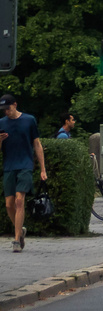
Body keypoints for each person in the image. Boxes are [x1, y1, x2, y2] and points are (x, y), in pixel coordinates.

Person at [0, 94, 47, 252]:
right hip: (9, 166)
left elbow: (37, 144)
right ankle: (20, 231)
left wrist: (43, 169)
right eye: (3, 109)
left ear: (15, 104)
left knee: (20, 201)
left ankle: (16, 240)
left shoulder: (29, 120)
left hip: (25, 165)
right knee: (9, 204)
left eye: (8, 108)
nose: (6, 111)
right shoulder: (1, 123)